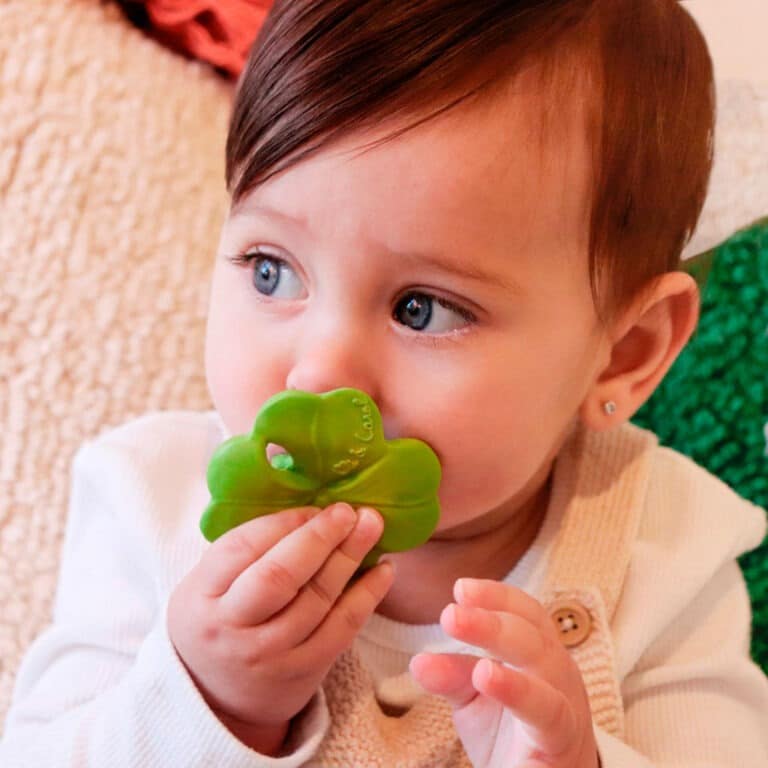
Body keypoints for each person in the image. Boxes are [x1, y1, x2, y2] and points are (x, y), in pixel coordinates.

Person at [2, 0, 767, 765]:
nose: (319, 370)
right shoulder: (153, 499)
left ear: (623, 354)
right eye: (271, 271)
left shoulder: (663, 548)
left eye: (423, 309)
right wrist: (204, 700)